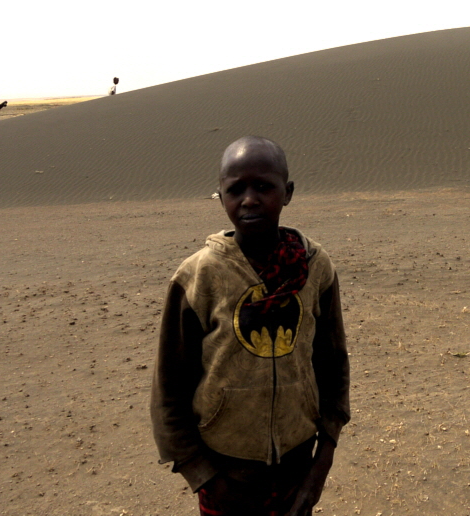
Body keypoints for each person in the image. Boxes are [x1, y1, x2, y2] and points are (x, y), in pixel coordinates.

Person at [150, 136, 350, 516]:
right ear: (220, 196)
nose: (249, 199)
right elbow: (169, 386)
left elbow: (332, 364)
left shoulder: (315, 268)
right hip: (224, 469)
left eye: (263, 186)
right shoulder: (199, 275)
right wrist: (203, 475)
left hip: (298, 462)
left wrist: (321, 463)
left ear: (287, 192)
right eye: (235, 189)